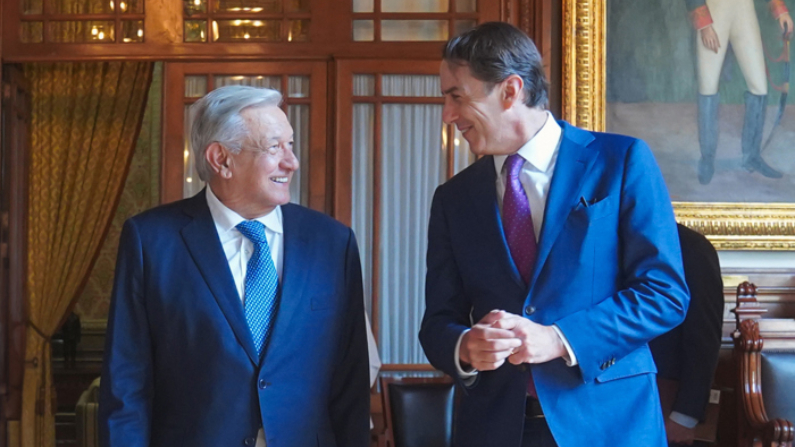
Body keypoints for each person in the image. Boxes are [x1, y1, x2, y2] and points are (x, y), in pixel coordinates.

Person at [419, 22, 690, 447]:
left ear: (511, 90)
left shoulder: (621, 161)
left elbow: (665, 294)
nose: (447, 115)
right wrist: (466, 347)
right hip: (495, 428)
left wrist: (558, 339)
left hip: (609, 425)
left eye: (457, 97)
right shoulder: (453, 198)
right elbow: (437, 322)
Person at [99, 86, 370, 447]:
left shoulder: (332, 243)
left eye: (290, 145)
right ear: (221, 159)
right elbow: (125, 383)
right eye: (274, 147)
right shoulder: (151, 241)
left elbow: (350, 382)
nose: (291, 161)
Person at [687, 0, 793, 184]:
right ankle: (707, 159)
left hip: (744, 10)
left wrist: (781, 11)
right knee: (708, 86)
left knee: (759, 86)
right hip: (714, 12)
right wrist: (704, 25)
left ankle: (751, 157)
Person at [650, 224, 724, 446]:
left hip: (665, 401)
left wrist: (684, 416)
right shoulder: (600, 240)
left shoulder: (691, 247)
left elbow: (704, 340)